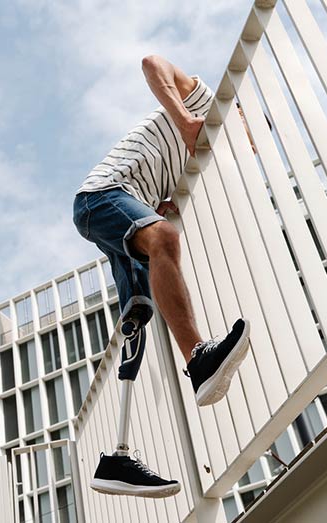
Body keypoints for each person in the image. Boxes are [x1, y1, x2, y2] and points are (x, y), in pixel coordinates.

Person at [72, 55, 251, 498]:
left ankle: (117, 455)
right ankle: (199, 359)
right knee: (165, 240)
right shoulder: (200, 98)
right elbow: (153, 63)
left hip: (126, 205)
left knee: (139, 313)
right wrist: (187, 120)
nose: (240, 141)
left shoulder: (192, 165)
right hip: (102, 195)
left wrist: (159, 203)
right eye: (244, 129)